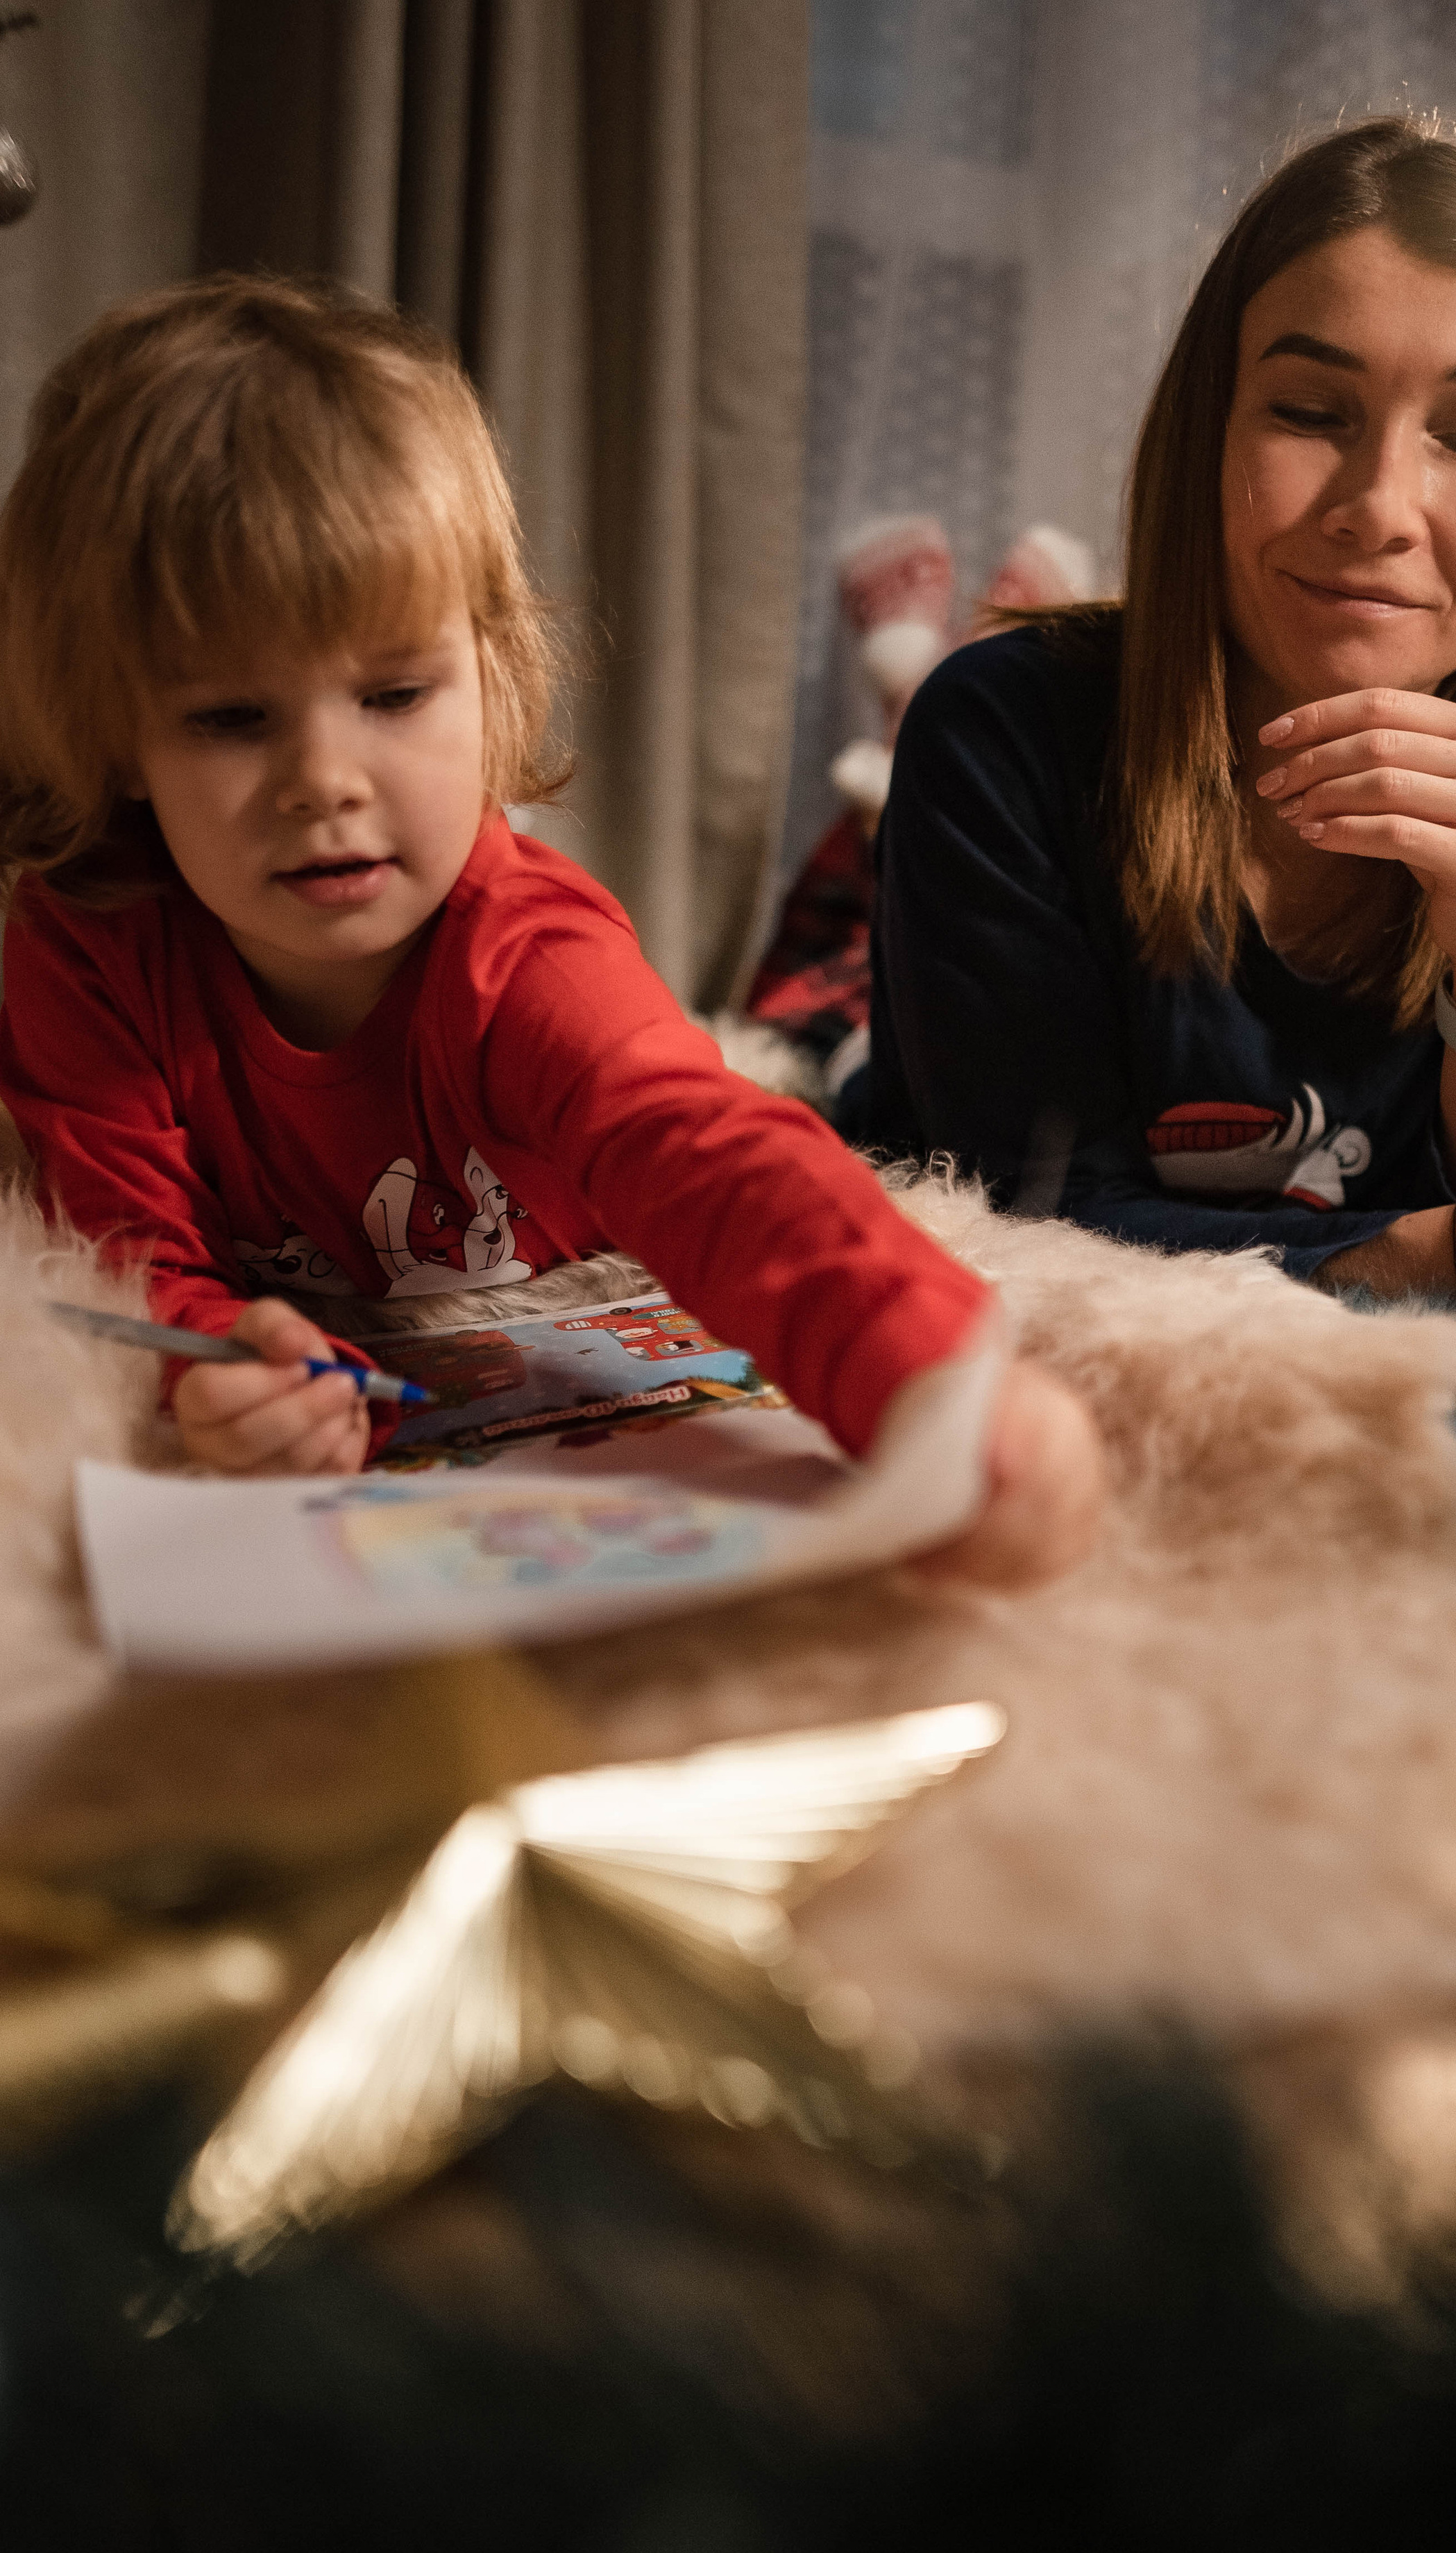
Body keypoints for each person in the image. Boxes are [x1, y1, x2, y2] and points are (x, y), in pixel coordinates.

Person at [0, 277, 1102, 1587]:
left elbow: (716, 1160)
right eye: (231, 718)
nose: (324, 782)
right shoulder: (82, 941)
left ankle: (923, 701)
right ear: (119, 736)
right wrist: (219, 1364)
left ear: (493, 670)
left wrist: (932, 1380)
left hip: (650, 1180)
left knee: (825, 1030)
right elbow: (125, 1260)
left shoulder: (526, 951)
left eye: (394, 693)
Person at [867, 117, 1456, 1351]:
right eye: (1309, 411)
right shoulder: (1003, 729)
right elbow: (1029, 1237)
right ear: (1209, 437)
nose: (1380, 509)